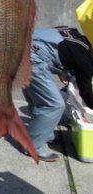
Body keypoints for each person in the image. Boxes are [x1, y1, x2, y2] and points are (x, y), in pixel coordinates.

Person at [23, 26, 93, 162]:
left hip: (21, 48)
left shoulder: (77, 35)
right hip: (29, 59)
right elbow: (86, 93)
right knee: (54, 105)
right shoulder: (84, 60)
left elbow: (53, 46)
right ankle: (33, 146)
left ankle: (43, 133)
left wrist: (60, 70)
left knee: (39, 99)